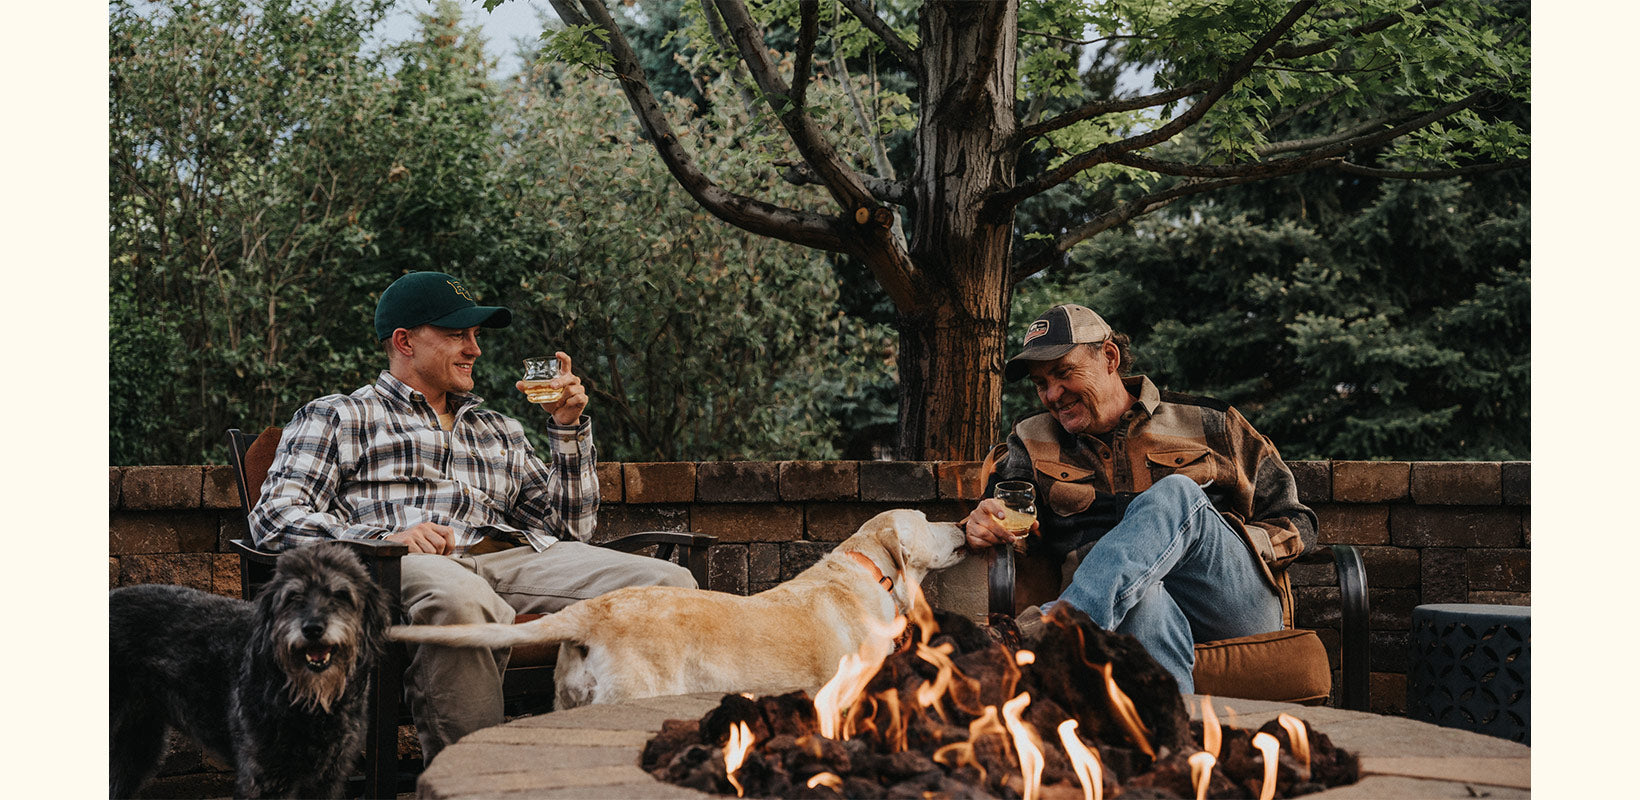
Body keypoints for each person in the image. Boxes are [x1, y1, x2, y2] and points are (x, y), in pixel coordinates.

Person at [248, 271, 695, 761]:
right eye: (457, 334)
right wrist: (386, 537)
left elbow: (572, 532)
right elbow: (274, 517)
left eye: (475, 336)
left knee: (669, 585)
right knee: (462, 602)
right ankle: (473, 779)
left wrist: (566, 431)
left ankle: (630, 762)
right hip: (404, 565)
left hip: (514, 556)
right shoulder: (338, 416)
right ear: (405, 341)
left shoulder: (499, 429)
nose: (474, 349)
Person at [964, 303, 1317, 693]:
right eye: (1040, 383)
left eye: (1064, 373)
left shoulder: (1212, 422)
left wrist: (1231, 540)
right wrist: (982, 523)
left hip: (1227, 603)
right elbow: (1003, 518)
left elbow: (1297, 521)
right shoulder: (1031, 440)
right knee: (1139, 597)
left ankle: (1050, 630)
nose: (1052, 394)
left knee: (1178, 491)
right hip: (1127, 613)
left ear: (1110, 357)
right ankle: (1175, 742)